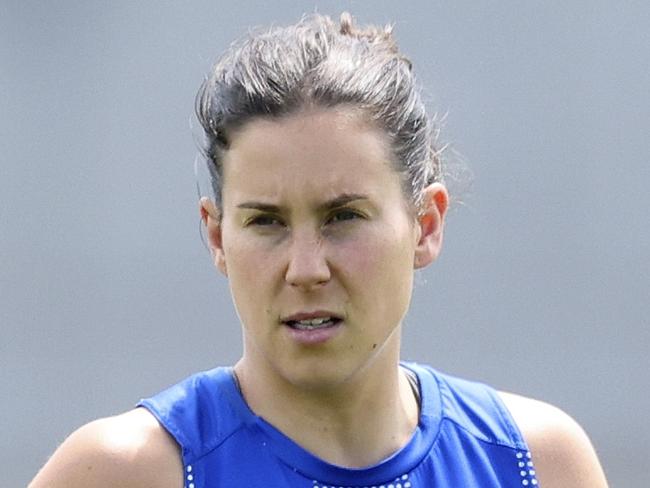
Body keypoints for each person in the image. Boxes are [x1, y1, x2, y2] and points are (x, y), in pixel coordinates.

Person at [29, 12, 609, 488]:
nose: (306, 269)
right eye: (266, 222)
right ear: (217, 237)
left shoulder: (535, 464)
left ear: (426, 225)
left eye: (343, 217)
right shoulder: (126, 471)